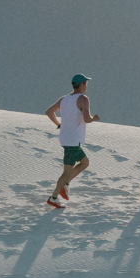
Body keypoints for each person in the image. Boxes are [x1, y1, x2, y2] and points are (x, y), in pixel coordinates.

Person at [44, 74, 99, 209]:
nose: (86, 86)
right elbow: (87, 119)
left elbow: (49, 112)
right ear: (81, 84)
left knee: (85, 162)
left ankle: (65, 185)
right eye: (86, 83)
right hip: (73, 141)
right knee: (67, 171)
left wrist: (59, 124)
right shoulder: (83, 99)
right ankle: (54, 197)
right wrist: (94, 118)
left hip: (66, 138)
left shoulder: (64, 99)